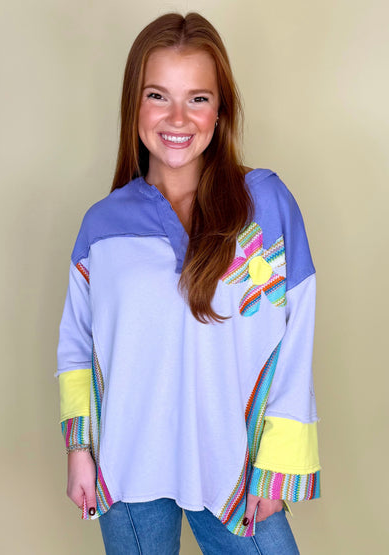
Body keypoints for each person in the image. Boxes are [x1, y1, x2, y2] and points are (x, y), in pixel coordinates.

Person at [56, 12, 320, 555]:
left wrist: (278, 466)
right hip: (128, 469)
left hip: (233, 470)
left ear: (220, 110)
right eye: (158, 96)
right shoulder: (101, 226)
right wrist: (79, 450)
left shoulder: (266, 205)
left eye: (198, 98)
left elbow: (296, 337)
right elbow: (77, 345)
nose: (177, 117)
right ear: (134, 106)